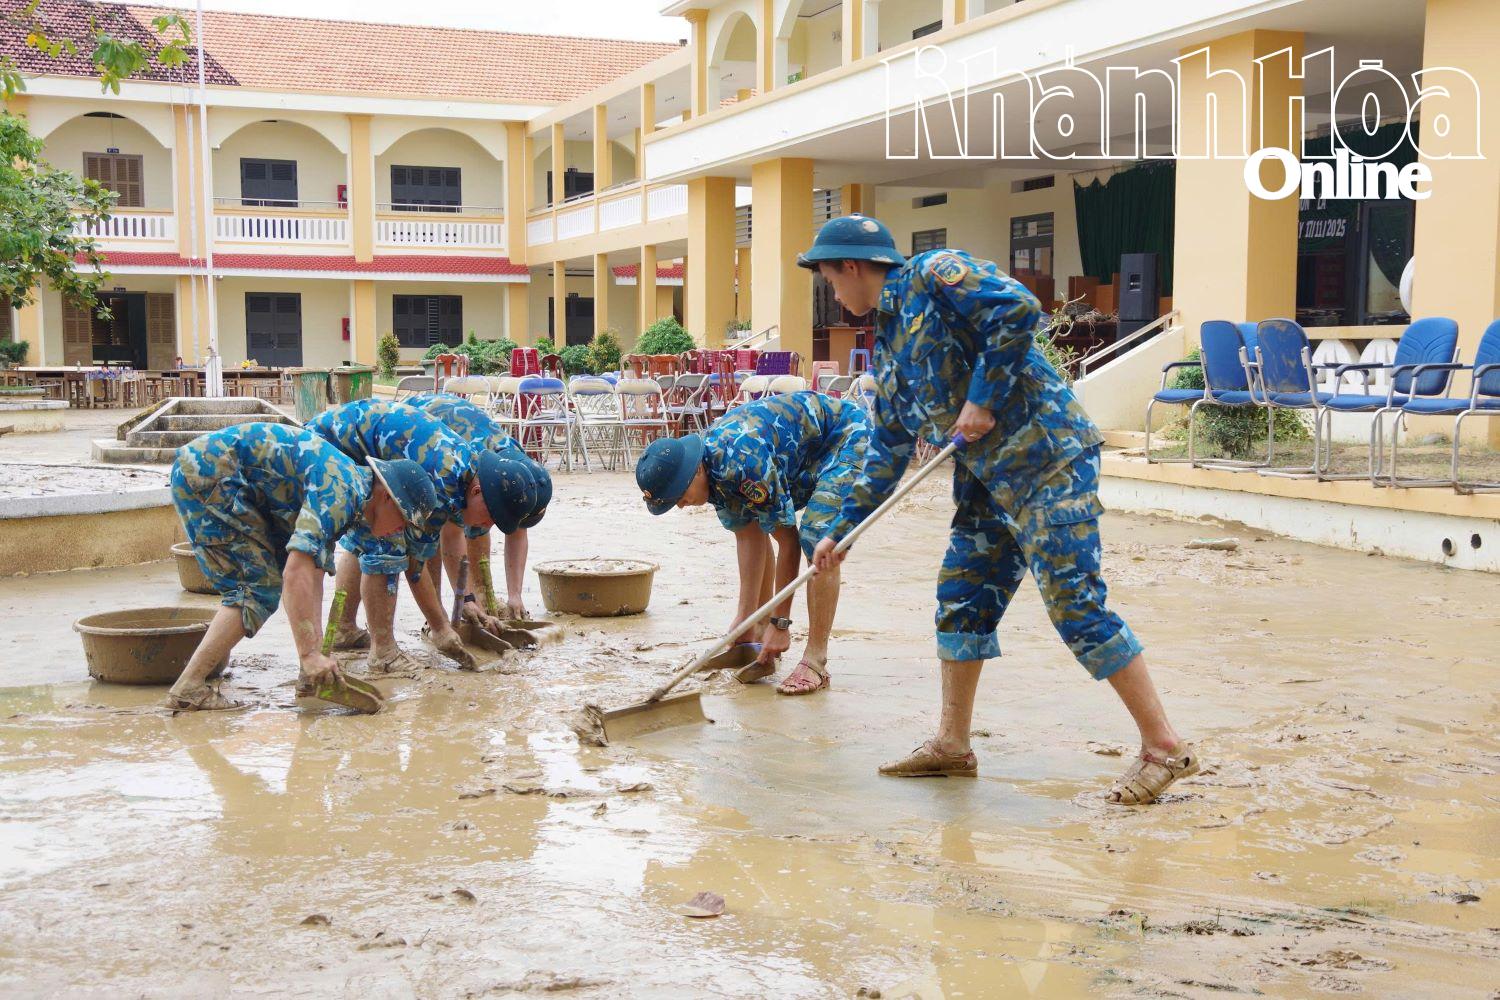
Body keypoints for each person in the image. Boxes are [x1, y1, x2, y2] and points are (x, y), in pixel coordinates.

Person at [804, 214, 1199, 804]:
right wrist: (841, 532)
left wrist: (983, 398)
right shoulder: (887, 349)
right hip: (987, 480)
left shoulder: (934, 274)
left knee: (1075, 604)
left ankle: (1165, 747)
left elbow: (1016, 309)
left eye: (831, 279)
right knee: (961, 596)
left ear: (853, 266)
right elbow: (886, 449)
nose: (833, 293)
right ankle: (952, 744)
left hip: (1048, 462)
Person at [167, 422, 437, 711]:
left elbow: (313, 572)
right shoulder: (341, 492)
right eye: (404, 522)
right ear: (386, 498)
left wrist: (314, 657)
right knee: (255, 590)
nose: (399, 532)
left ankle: (198, 684)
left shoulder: (351, 492)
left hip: (226, 476)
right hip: (210, 472)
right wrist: (309, 655)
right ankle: (189, 687)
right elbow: (296, 572)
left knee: (275, 579)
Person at [634, 391, 870, 694]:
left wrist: (780, 623)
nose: (680, 505)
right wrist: (746, 618)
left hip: (847, 436)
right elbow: (750, 535)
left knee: (817, 537)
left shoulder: (742, 463)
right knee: (759, 524)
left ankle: (815, 660)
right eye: (672, 502)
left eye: (679, 496)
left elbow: (788, 542)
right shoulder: (712, 477)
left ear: (695, 470)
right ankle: (757, 629)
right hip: (803, 453)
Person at [305, 399, 538, 672]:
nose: (486, 525)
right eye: (490, 517)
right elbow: (415, 564)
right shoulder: (442, 481)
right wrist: (440, 627)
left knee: (366, 540)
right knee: (386, 544)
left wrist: (467, 601)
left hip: (348, 442)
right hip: (331, 447)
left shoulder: (468, 472)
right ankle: (384, 653)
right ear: (477, 493)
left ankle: (343, 630)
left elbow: (450, 540)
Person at [404, 391, 550, 619]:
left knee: (480, 520)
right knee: (434, 526)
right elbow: (450, 533)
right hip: (419, 420)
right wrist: (463, 600)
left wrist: (515, 595)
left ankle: (482, 598)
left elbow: (516, 531)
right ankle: (436, 612)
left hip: (460, 428)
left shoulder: (520, 477)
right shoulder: (467, 467)